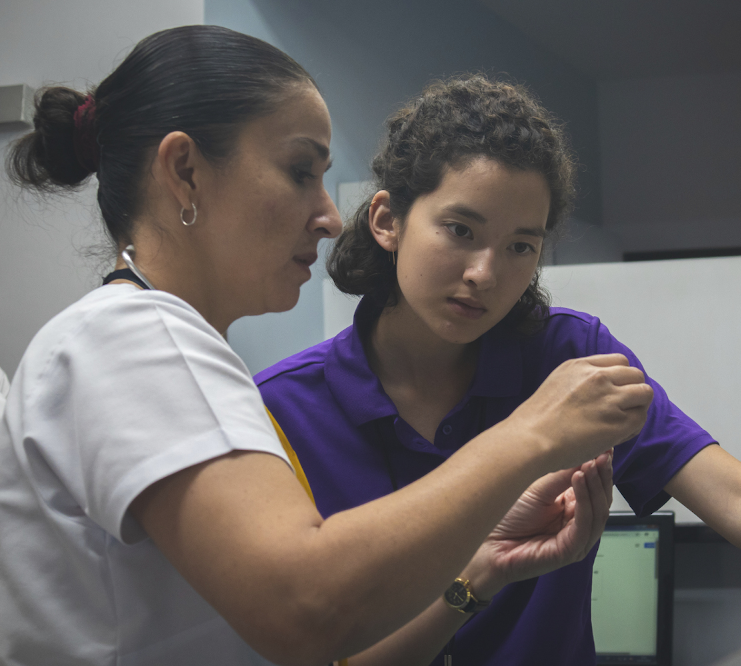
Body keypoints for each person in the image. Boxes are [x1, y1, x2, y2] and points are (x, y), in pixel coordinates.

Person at [257, 75, 741, 666]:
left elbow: (737, 499)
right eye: (459, 230)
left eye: (523, 244)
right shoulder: (285, 409)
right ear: (387, 219)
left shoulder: (569, 358)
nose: (486, 272)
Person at [0, 28, 654, 666]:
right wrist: (533, 435)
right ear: (185, 171)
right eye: (298, 170)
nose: (330, 215)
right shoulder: (136, 338)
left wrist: (479, 571)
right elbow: (305, 609)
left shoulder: (163, 346)